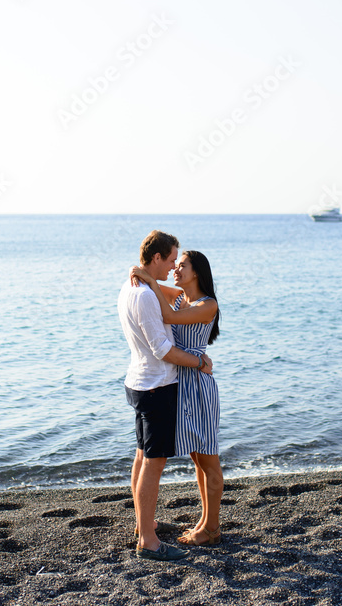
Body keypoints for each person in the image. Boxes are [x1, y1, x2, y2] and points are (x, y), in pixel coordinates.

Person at [118, 230, 212, 561]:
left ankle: (144, 523)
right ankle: (148, 540)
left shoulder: (133, 289)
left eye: (179, 262)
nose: (174, 265)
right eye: (172, 259)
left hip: (139, 382)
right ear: (157, 257)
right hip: (157, 386)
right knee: (154, 463)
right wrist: (199, 361)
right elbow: (162, 349)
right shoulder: (144, 295)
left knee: (143, 455)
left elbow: (171, 300)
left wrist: (144, 274)